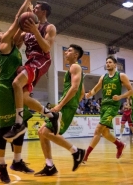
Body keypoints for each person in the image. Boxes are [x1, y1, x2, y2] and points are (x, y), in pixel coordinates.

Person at [0, 0, 39, 183]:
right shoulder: (3, 46)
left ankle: (17, 160)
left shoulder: (14, 45)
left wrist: (30, 6)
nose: (6, 33)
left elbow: (22, 26)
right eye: (1, 33)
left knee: (22, 124)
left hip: (14, 89)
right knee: (6, 127)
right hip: (4, 90)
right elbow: (16, 21)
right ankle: (0, 164)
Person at [4, 0, 61, 141]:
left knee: (17, 83)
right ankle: (51, 115)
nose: (33, 9)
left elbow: (47, 48)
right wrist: (21, 26)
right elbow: (15, 42)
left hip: (42, 60)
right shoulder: (28, 29)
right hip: (30, 62)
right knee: (24, 98)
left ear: (44, 12)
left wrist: (35, 30)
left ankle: (18, 123)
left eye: (36, 8)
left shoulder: (50, 27)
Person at [34, 44, 86, 176]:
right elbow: (82, 92)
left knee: (45, 131)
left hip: (66, 106)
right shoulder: (74, 69)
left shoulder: (75, 66)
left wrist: (62, 105)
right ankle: (49, 166)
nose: (66, 53)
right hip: (69, 104)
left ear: (76, 55)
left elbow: (75, 89)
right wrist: (73, 103)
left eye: (69, 51)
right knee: (41, 132)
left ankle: (76, 151)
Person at [83, 55, 133, 163]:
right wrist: (89, 94)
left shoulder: (121, 76)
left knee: (98, 130)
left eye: (110, 62)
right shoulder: (103, 77)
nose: (108, 64)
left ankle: (85, 155)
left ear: (115, 64)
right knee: (105, 133)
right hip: (104, 106)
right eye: (106, 62)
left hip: (113, 106)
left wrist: (120, 97)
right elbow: (96, 89)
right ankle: (119, 145)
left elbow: (131, 91)